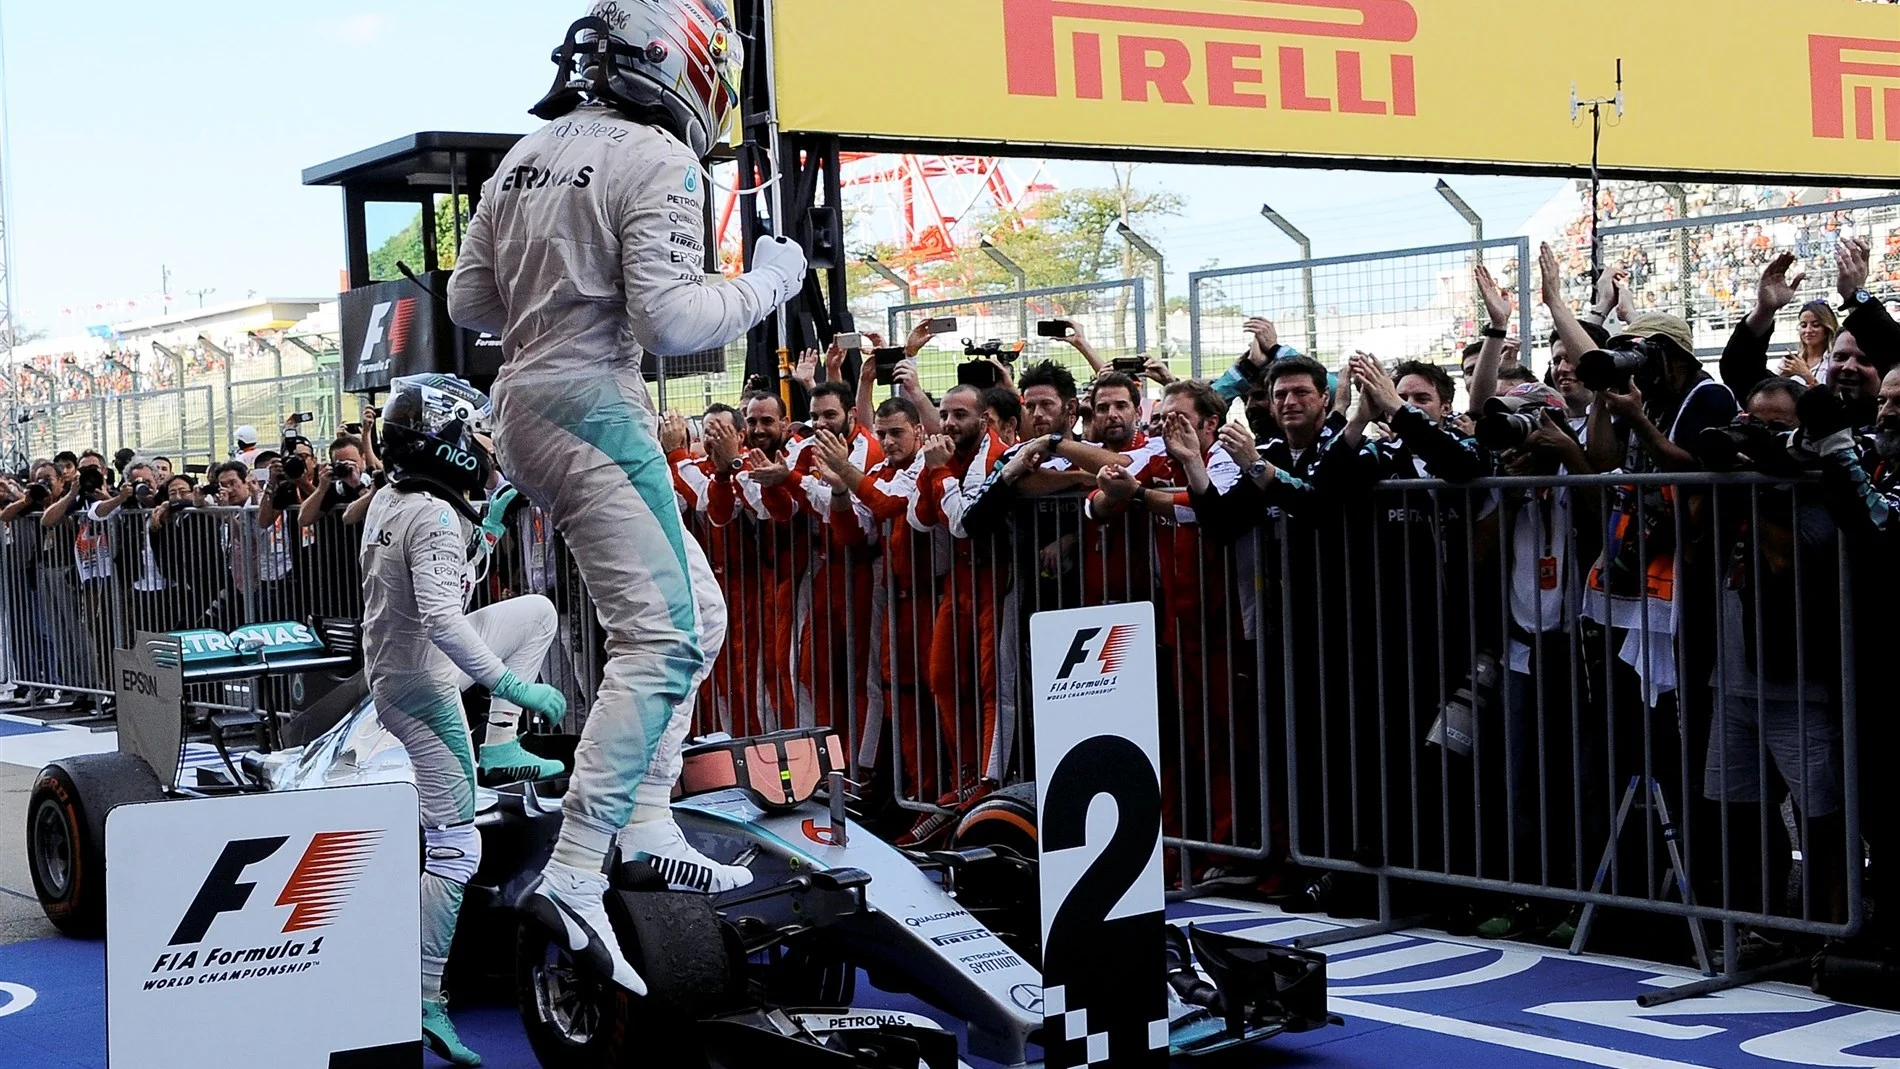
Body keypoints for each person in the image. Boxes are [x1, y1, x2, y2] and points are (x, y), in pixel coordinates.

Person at [446, 0, 791, 996]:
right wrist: (768, 278)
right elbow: (674, 316)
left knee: (697, 614)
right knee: (666, 637)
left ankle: (643, 815)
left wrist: (555, 284)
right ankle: (575, 866)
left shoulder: (524, 154)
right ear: (677, 64)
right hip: (593, 404)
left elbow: (472, 303)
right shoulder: (659, 160)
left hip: (524, 404)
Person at [359, 376, 568, 1065]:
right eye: (474, 431)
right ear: (444, 442)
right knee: (456, 847)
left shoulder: (395, 497)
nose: (483, 442)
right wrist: (514, 685)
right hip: (421, 685)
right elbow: (445, 618)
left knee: (537, 612)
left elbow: (437, 596)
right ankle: (424, 997)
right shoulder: (432, 516)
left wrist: (482, 533)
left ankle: (501, 744)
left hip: (402, 666)